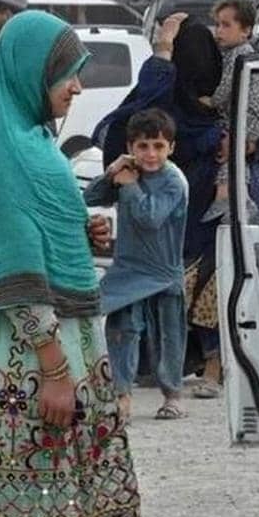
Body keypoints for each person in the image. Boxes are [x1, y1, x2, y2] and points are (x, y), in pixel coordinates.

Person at [0, 11, 143, 517]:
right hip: (32, 364)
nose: (77, 85)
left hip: (47, 356)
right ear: (29, 73)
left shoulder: (30, 135)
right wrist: (57, 370)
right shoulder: (11, 152)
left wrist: (78, 229)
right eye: (67, 73)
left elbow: (40, 232)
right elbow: (17, 270)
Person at [92, 16, 228, 399]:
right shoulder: (210, 107)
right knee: (158, 303)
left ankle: (192, 373)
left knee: (193, 294)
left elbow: (144, 97)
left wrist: (163, 49)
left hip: (187, 212)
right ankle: (159, 376)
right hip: (191, 214)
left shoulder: (174, 96)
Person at [84, 108, 189, 422]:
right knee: (123, 330)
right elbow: (90, 197)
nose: (151, 154)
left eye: (158, 146)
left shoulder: (174, 181)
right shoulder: (129, 170)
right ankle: (122, 396)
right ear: (130, 146)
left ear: (171, 147)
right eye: (143, 146)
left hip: (164, 272)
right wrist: (112, 173)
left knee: (168, 335)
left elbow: (150, 218)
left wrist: (129, 184)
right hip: (129, 269)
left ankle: (173, 395)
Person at [199, 0, 259, 221]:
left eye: (226, 25)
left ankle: (230, 198)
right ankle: (235, 199)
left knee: (232, 154)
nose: (219, 31)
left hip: (249, 115)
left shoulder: (240, 53)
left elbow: (226, 88)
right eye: (217, 24)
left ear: (246, 31)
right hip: (245, 116)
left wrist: (210, 102)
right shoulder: (232, 52)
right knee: (235, 158)